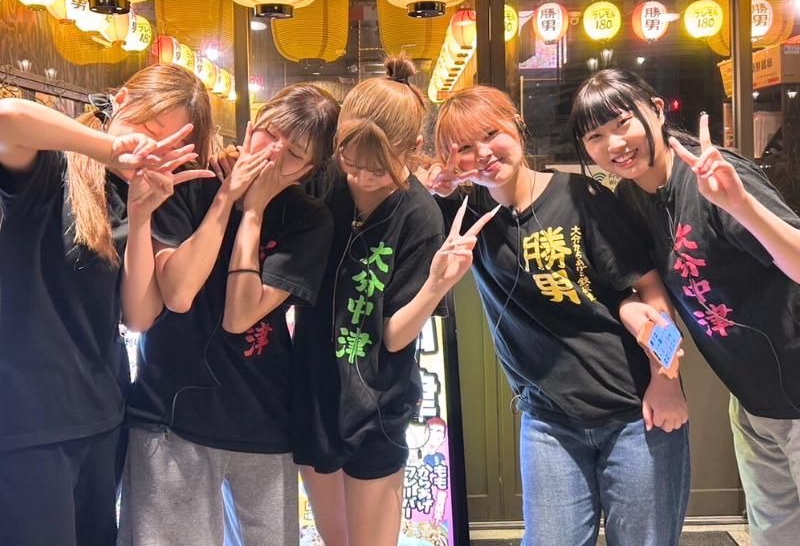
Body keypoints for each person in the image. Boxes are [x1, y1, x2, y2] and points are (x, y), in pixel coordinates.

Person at [422, 85, 690, 546]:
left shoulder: (580, 195)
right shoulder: (465, 215)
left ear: (517, 127)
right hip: (549, 422)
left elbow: (649, 291)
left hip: (634, 411)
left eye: (491, 134)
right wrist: (432, 187)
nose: (482, 153)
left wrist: (666, 380)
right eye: (463, 147)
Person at [569, 68, 800, 546]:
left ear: (656, 111)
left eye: (622, 123)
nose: (615, 144)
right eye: (596, 136)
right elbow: (649, 294)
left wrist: (740, 206)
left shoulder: (710, 175)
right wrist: (661, 369)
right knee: (775, 533)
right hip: (754, 400)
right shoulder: (631, 199)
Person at [0, 62, 214, 546]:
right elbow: (7, 117)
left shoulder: (130, 194)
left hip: (101, 416)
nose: (151, 146)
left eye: (168, 143)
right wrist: (107, 147)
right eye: (148, 127)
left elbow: (138, 316)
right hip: (27, 422)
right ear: (119, 101)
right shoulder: (51, 166)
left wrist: (141, 216)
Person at [119, 84, 340, 546]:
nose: (274, 153)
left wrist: (253, 211)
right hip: (170, 415)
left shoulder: (307, 220)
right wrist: (226, 199)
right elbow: (177, 292)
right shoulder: (192, 183)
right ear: (252, 124)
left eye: (294, 153)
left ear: (308, 169)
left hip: (263, 418)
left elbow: (240, 315)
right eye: (270, 134)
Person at [292, 57, 495, 546]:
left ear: (413, 149)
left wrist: (437, 285)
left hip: (377, 406)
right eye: (351, 162)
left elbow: (395, 335)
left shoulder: (419, 214)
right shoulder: (324, 183)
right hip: (312, 391)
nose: (361, 177)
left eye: (376, 168)